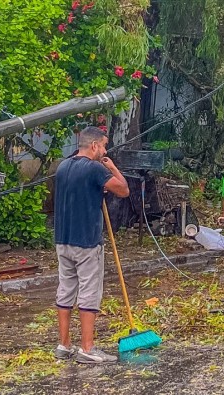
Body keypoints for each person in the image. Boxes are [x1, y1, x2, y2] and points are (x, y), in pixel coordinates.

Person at [53, 126, 130, 363]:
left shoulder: (63, 166)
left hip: (63, 239)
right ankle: (87, 349)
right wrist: (112, 167)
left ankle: (64, 346)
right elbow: (124, 190)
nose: (105, 150)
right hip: (86, 241)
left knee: (66, 290)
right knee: (89, 293)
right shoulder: (95, 169)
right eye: (104, 145)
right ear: (94, 145)